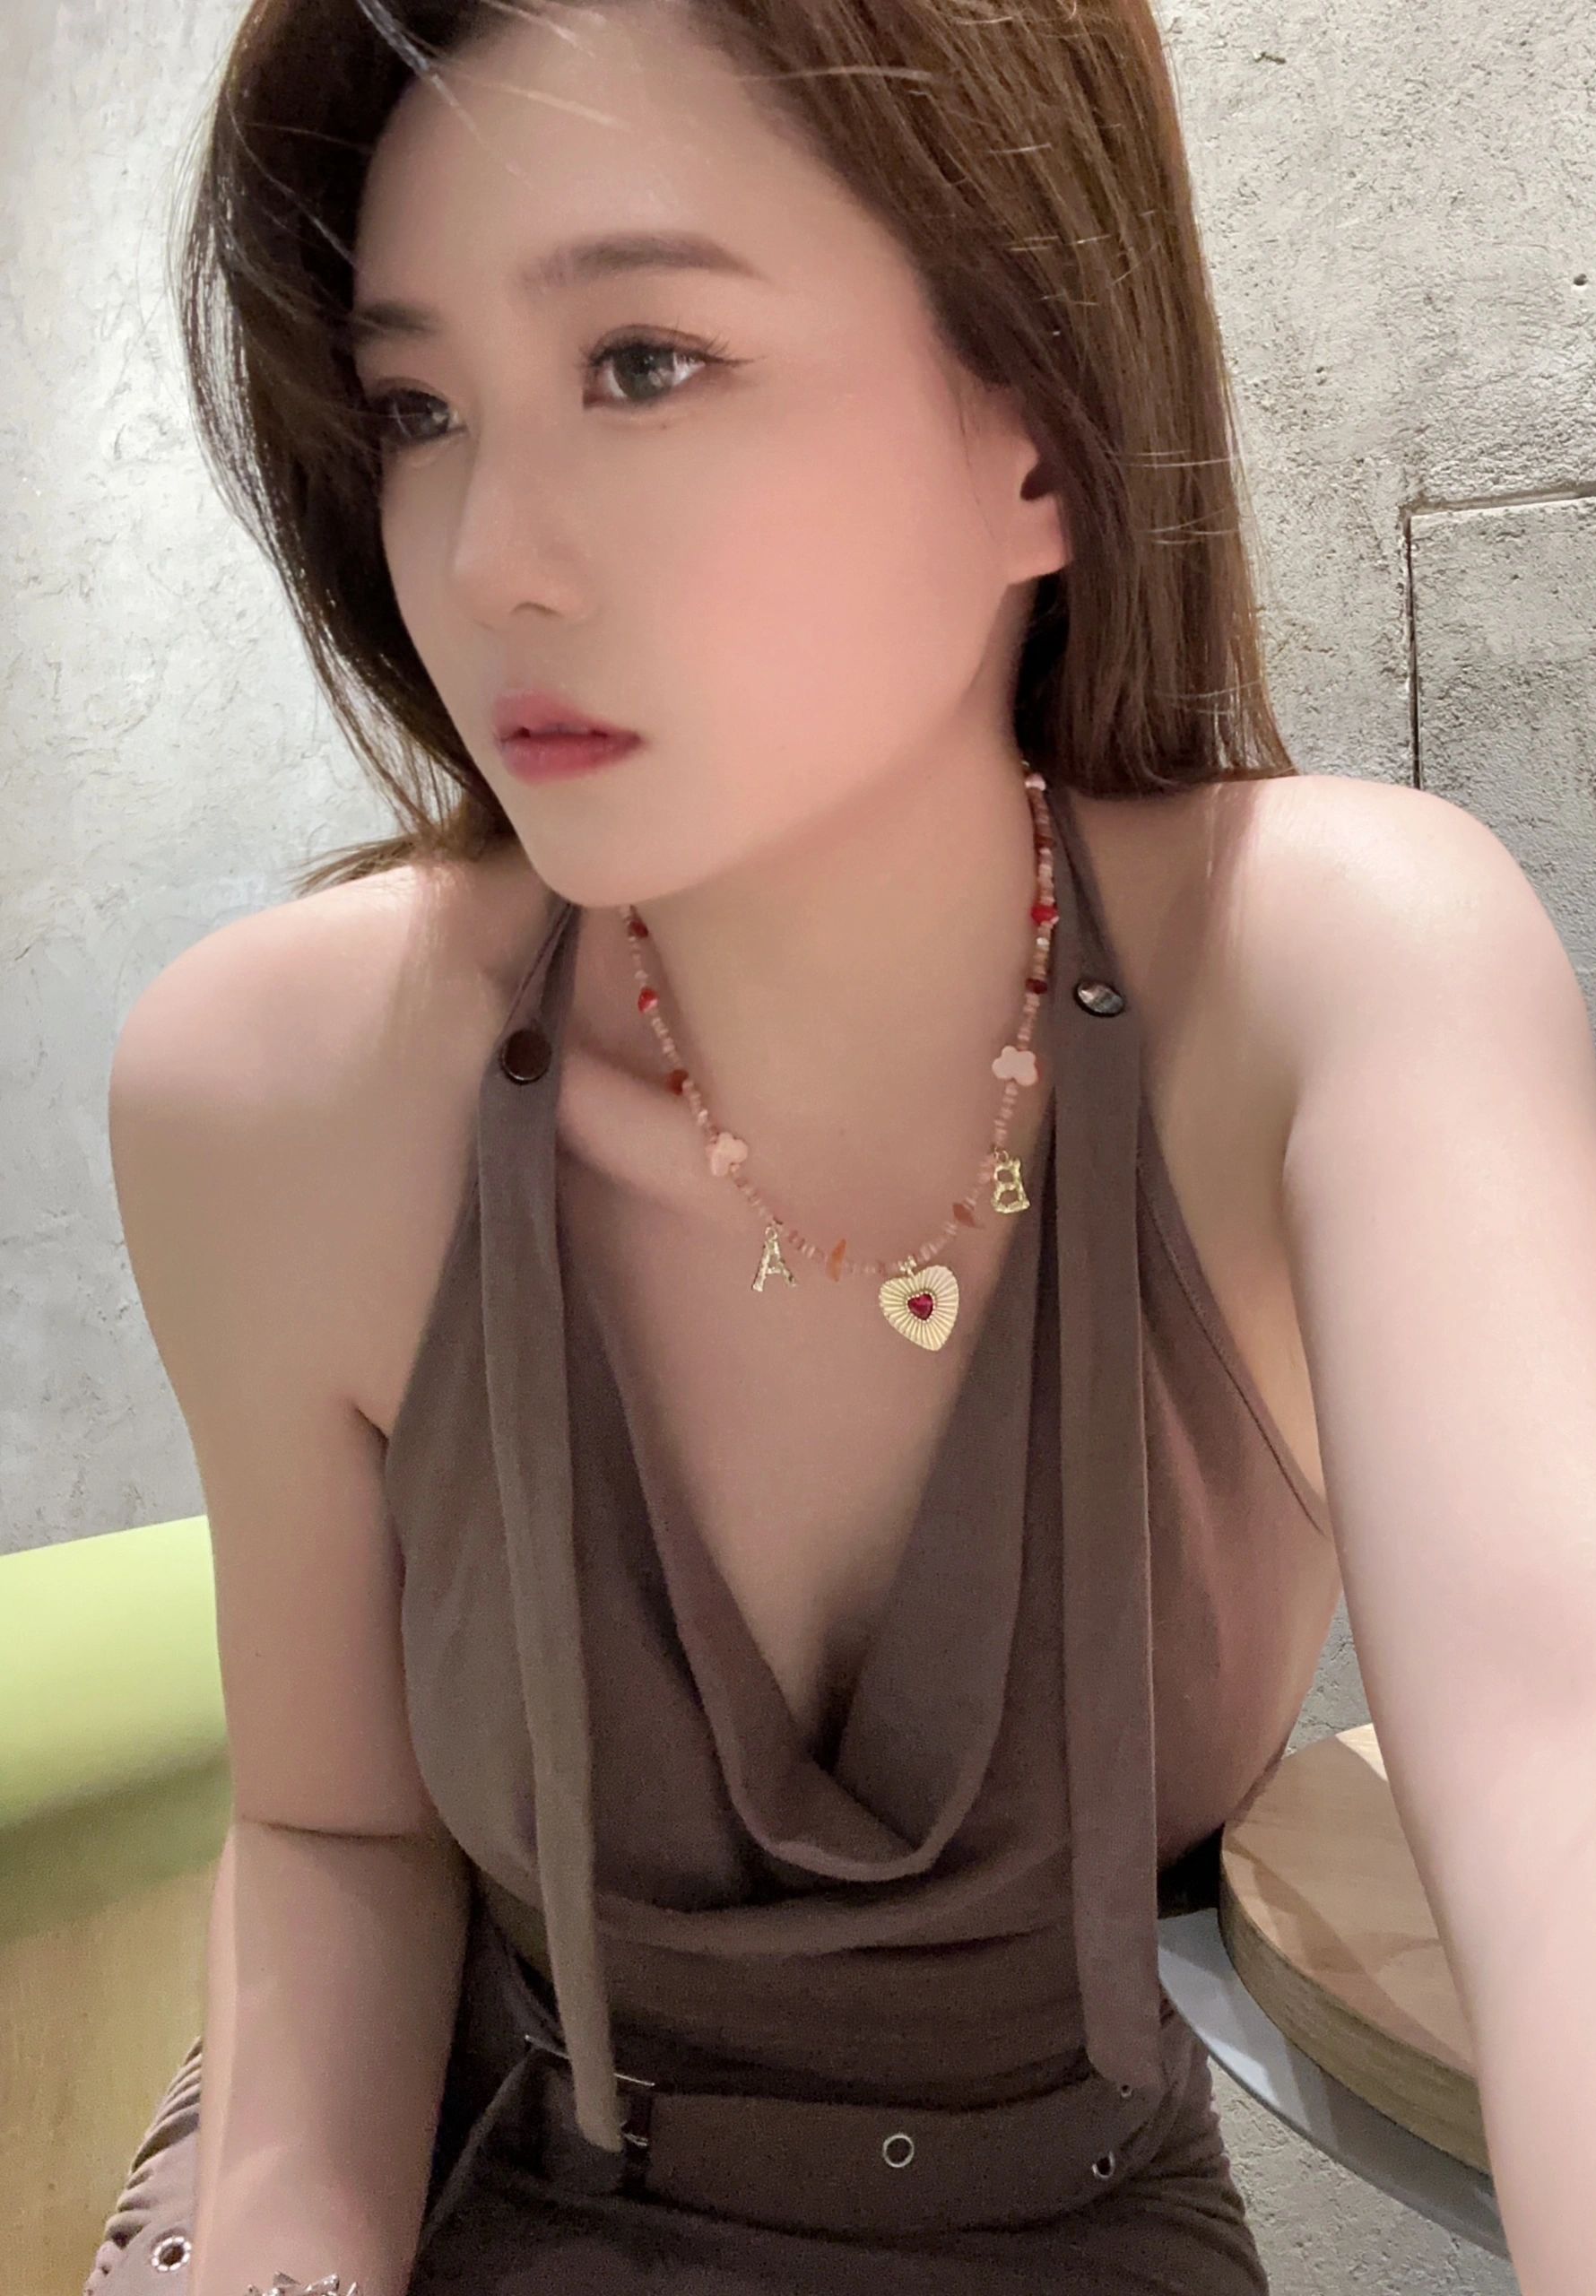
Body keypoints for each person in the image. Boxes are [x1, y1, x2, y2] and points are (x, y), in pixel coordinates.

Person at [86, 0, 1349, 2288]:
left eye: (644, 363)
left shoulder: (1315, 980)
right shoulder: (282, 1091)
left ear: (1040, 430)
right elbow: (335, 1833)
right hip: (464, 2181)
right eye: (416, 409)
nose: (486, 558)